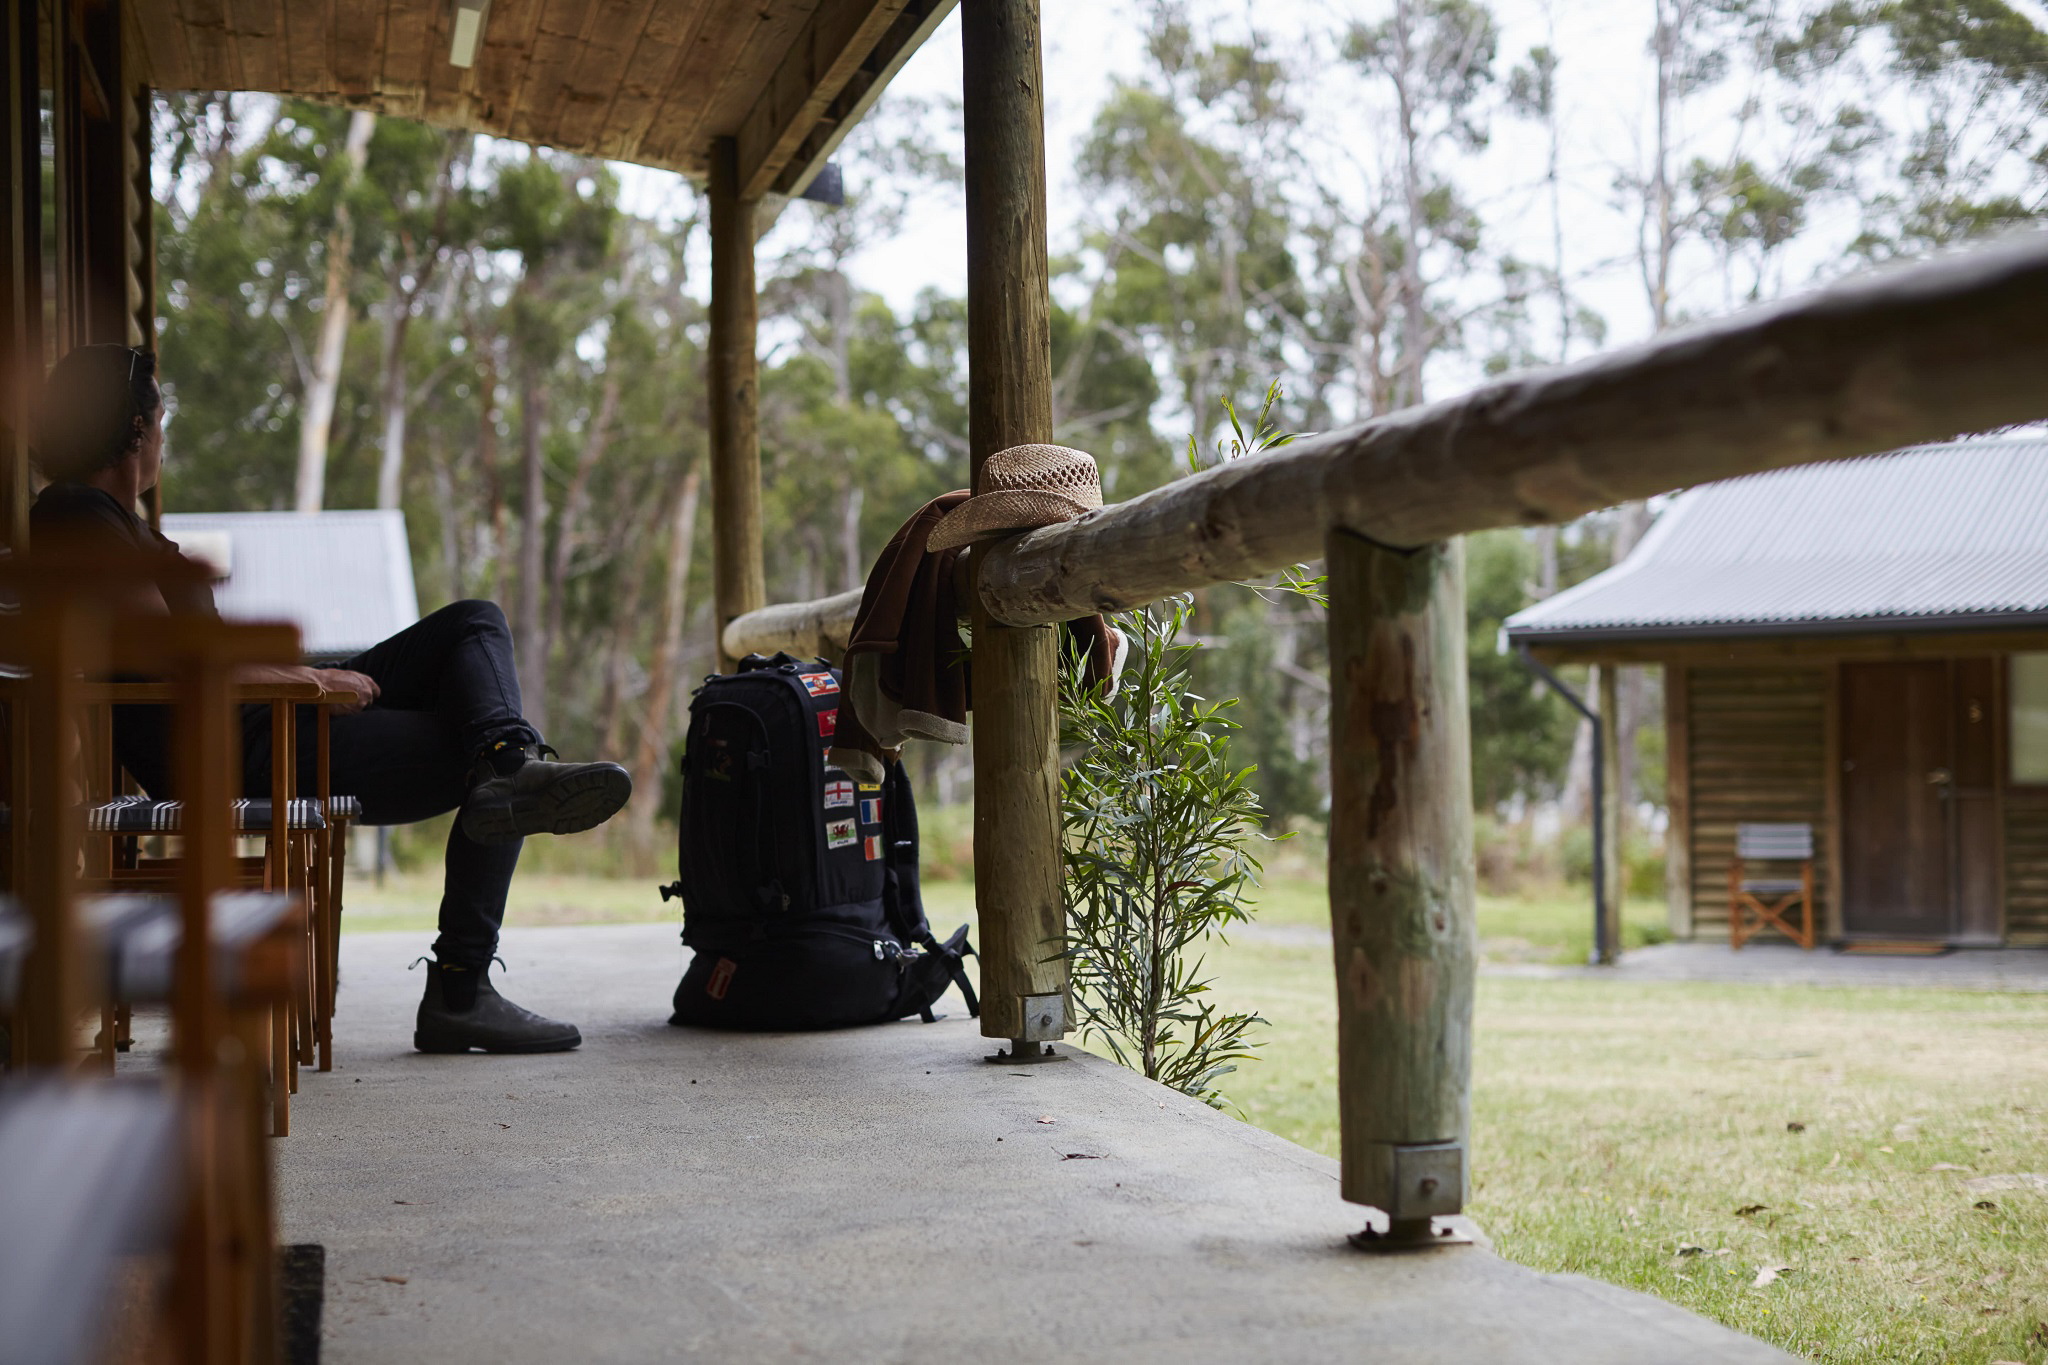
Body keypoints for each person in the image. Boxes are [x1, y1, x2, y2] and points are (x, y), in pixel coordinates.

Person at [29, 343, 632, 1054]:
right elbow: (159, 652)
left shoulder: (113, 519)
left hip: (256, 713)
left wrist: (296, 677)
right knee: (483, 754)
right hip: (235, 746)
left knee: (473, 624)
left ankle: (507, 765)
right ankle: (462, 984)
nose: (163, 434)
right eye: (161, 418)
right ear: (136, 427)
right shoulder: (74, 513)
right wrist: (307, 681)